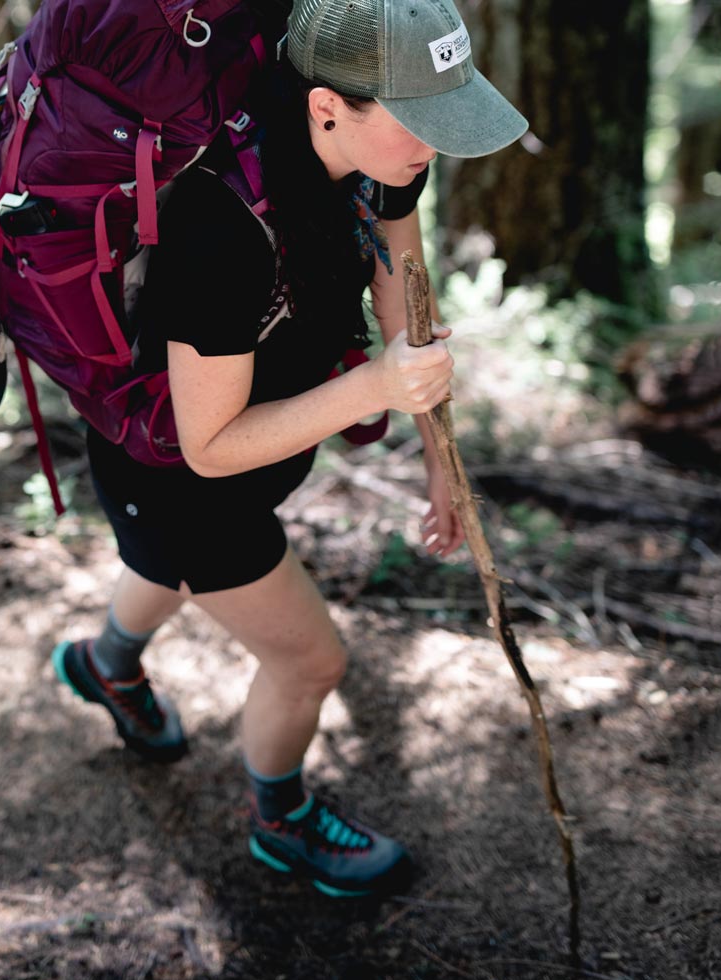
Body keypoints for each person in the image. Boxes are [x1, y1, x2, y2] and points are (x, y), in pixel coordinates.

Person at [52, 0, 527, 898]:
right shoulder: (220, 221)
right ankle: (282, 820)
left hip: (255, 448)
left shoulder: (381, 157)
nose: (440, 144)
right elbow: (209, 446)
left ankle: (103, 665)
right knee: (311, 660)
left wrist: (436, 451)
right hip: (180, 472)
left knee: (164, 565)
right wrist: (373, 390)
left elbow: (401, 282)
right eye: (421, 121)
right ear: (325, 108)